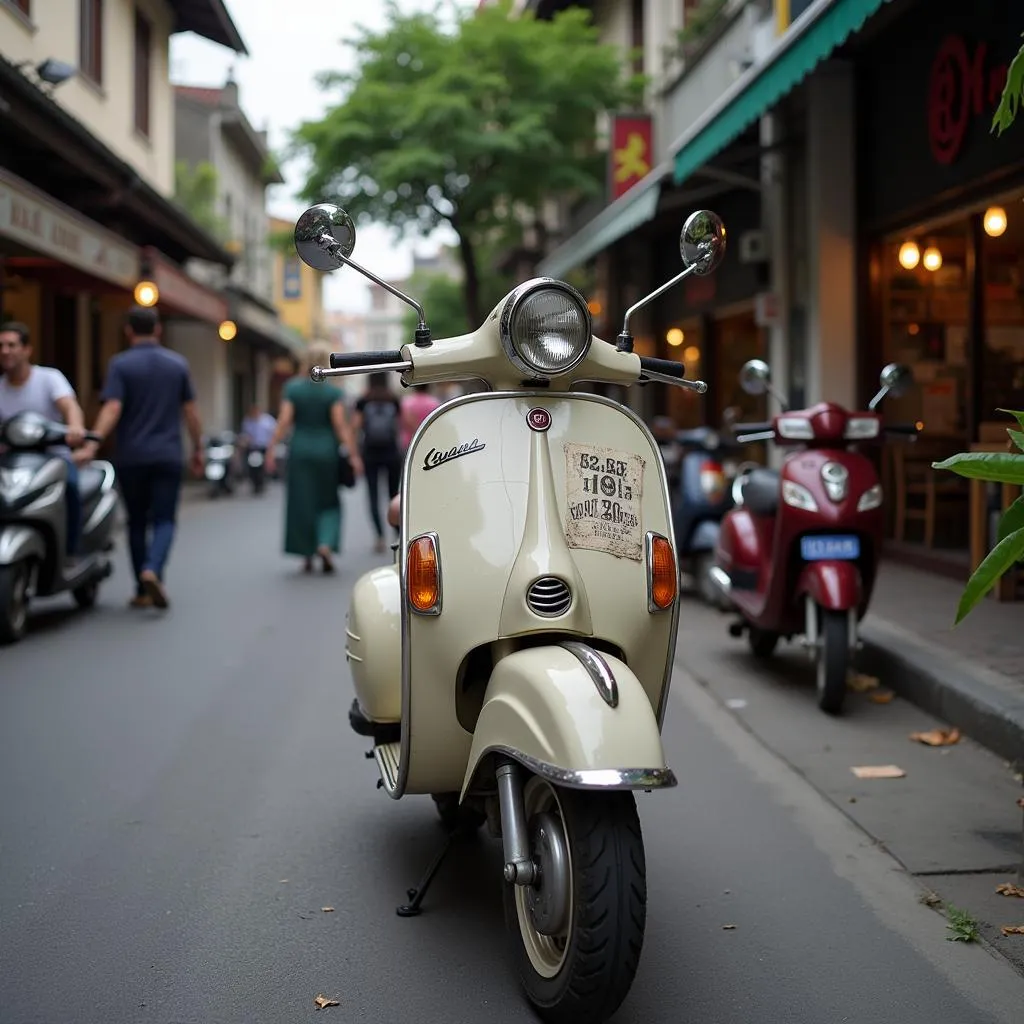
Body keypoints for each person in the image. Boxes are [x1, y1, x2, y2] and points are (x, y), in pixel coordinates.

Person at [75, 306, 203, 610]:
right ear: (158, 329)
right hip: (168, 455)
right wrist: (198, 448)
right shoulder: (177, 364)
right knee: (164, 519)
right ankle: (153, 569)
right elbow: (191, 413)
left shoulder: (120, 365)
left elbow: (112, 409)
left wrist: (92, 443)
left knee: (136, 522)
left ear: (128, 331)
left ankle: (141, 589)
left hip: (131, 456)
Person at [265, 342, 362, 573]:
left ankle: (307, 553)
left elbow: (285, 420)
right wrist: (354, 455)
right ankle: (325, 543)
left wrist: (271, 448)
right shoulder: (333, 392)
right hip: (327, 452)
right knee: (328, 501)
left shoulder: (293, 388)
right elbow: (340, 425)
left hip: (300, 451)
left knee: (302, 503)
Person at [0, 322, 87, 561]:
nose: (5, 351)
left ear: (27, 350)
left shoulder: (49, 378)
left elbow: (69, 406)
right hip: (13, 463)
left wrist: (75, 427)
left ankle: (72, 549)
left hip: (53, 458)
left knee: (69, 485)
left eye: (12, 345)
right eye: (1, 346)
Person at [354, 373, 402, 554]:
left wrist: (354, 453)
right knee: (393, 495)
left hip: (370, 453)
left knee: (373, 495)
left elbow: (356, 427)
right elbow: (399, 426)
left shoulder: (363, 401)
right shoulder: (393, 399)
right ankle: (397, 533)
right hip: (391, 453)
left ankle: (379, 536)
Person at [398, 385, 441, 452]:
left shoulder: (407, 402)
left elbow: (405, 421)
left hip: (409, 443)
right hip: (428, 442)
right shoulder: (434, 402)